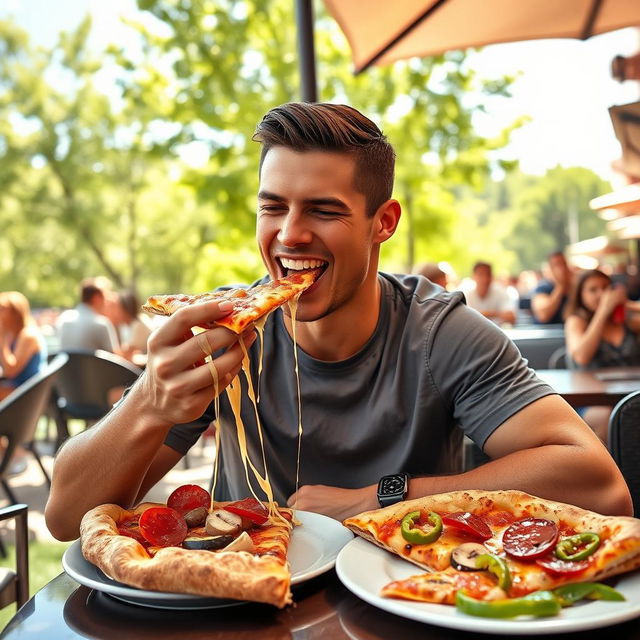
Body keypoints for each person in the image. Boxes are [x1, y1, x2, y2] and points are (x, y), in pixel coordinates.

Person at [45, 103, 631, 541]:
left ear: (384, 222)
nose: (290, 233)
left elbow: (599, 486)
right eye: (272, 206)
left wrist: (378, 498)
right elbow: (67, 518)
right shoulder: (226, 335)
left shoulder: (439, 333)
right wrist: (151, 398)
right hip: (241, 603)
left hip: (407, 601)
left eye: (324, 210)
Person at [564, 269, 640, 442]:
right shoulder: (576, 321)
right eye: (593, 290)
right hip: (592, 401)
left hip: (630, 395)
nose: (601, 294)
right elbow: (582, 357)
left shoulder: (627, 321)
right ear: (581, 295)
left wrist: (626, 304)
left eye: (605, 288)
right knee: (609, 416)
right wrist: (602, 312)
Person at [0, 291, 48, 401]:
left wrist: (2, 340)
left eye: (2, 309)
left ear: (16, 312)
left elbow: (11, 370)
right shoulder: (12, 335)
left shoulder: (28, 335)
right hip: (14, 387)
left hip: (26, 392)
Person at [56, 277, 121, 353]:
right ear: (96, 298)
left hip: (69, 365)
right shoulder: (101, 323)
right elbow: (114, 356)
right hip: (96, 365)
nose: (106, 302)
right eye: (104, 297)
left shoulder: (64, 319)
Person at [461, 261, 516, 326]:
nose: (485, 278)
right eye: (481, 274)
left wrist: (486, 314)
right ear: (473, 276)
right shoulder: (467, 295)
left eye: (488, 274)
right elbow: (463, 320)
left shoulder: (501, 293)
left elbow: (512, 317)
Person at [531, 251, 573, 325]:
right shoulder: (543, 288)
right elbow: (543, 315)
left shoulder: (575, 287)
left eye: (563, 264)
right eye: (557, 265)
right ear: (550, 269)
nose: (562, 269)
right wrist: (561, 286)